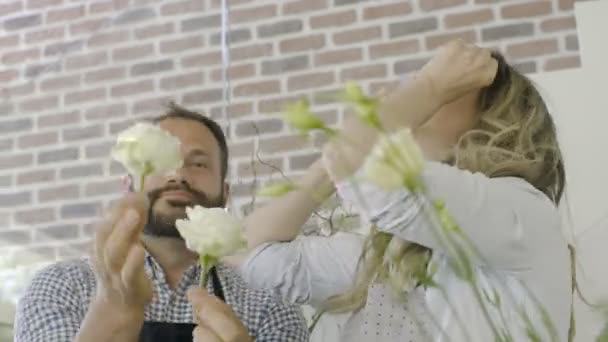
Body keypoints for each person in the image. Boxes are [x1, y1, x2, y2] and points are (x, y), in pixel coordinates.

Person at [229, 40, 571, 341]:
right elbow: (247, 253)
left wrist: (429, 88)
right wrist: (329, 164)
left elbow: (358, 162)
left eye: (452, 89)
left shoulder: (523, 213)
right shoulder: (392, 255)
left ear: (493, 121)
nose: (412, 95)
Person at [13, 104, 309, 342]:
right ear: (128, 186)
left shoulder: (269, 304)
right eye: (163, 162)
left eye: (198, 163)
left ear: (225, 194)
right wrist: (113, 312)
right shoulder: (63, 286)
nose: (177, 175)